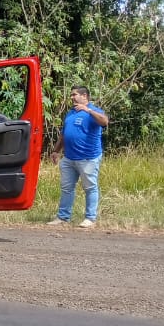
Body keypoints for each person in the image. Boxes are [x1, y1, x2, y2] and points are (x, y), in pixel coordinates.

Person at [47, 85, 108, 228]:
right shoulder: (71, 113)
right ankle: (63, 217)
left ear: (85, 96)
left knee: (90, 187)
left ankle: (90, 218)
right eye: (72, 95)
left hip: (88, 158)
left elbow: (104, 121)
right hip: (69, 158)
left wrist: (89, 110)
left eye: (75, 95)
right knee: (66, 188)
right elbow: (64, 134)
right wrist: (56, 151)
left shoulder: (93, 111)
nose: (72, 98)